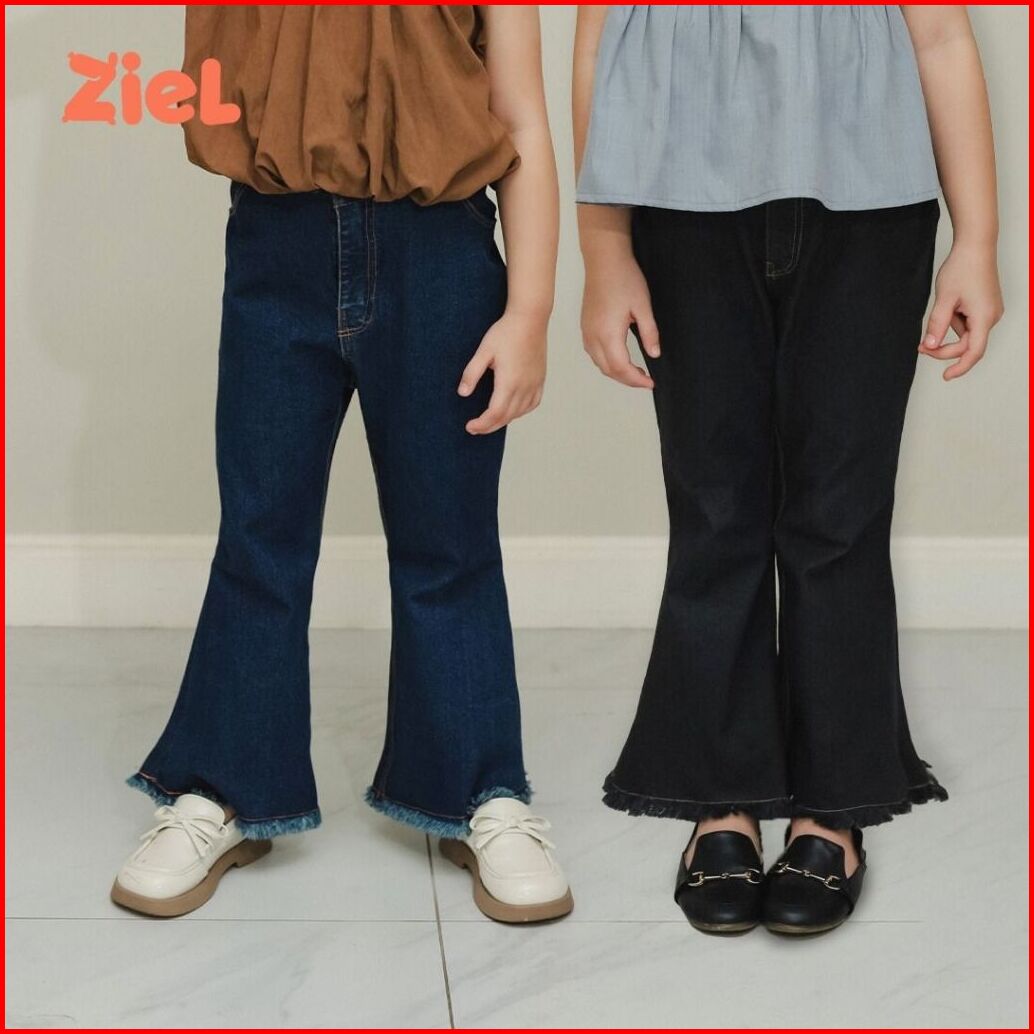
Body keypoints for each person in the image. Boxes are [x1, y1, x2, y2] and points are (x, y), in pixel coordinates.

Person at [112, 4, 573, 925]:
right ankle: (222, 787)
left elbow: (521, 115)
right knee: (260, 533)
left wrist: (530, 313)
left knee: (450, 539)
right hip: (276, 245)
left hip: (441, 253)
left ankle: (481, 791)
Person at [573, 5, 1002, 935]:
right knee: (714, 506)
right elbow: (600, 42)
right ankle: (721, 793)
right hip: (679, 202)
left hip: (872, 209)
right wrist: (604, 250)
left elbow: (942, 36)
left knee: (840, 513)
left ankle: (832, 803)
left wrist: (979, 240)